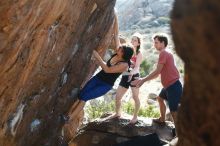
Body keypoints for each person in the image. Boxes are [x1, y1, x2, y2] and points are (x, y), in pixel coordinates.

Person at [132, 34, 182, 135]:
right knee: (160, 98)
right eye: (154, 42)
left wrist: (143, 80)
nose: (154, 45)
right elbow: (159, 72)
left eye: (156, 42)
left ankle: (179, 132)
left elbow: (157, 71)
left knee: (173, 111)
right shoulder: (166, 53)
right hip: (169, 86)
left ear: (163, 43)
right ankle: (162, 119)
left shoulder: (164, 53)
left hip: (173, 86)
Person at [69, 45, 134, 118]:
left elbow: (107, 70)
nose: (118, 48)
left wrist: (97, 56)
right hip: (97, 78)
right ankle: (68, 114)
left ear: (123, 53)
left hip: (105, 85)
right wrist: (115, 34)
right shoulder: (117, 53)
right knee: (81, 95)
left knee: (85, 97)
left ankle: (69, 118)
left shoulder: (124, 65)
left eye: (121, 49)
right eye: (120, 48)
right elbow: (117, 40)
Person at [110, 33, 143, 124]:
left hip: (134, 77)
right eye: (132, 39)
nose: (132, 41)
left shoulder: (139, 54)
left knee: (135, 97)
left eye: (135, 40)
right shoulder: (128, 50)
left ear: (139, 43)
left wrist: (131, 73)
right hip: (125, 76)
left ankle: (135, 117)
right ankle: (118, 113)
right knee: (118, 96)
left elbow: (136, 67)